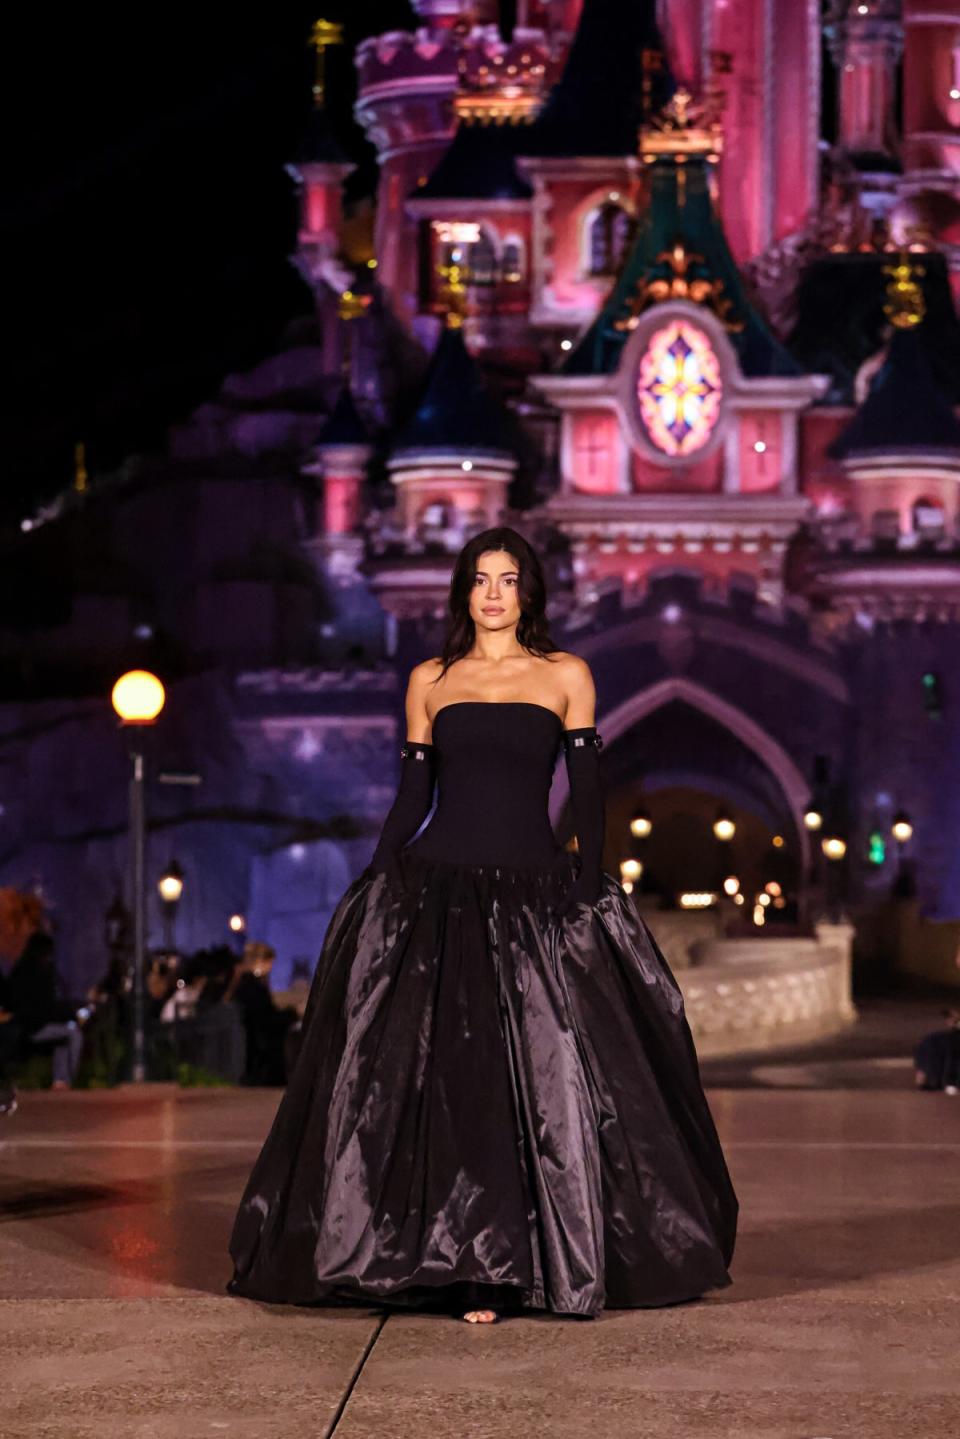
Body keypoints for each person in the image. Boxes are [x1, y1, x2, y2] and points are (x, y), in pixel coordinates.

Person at [227, 526, 739, 1323]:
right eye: (480, 578)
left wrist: (586, 876)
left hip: (534, 897)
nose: (494, 592)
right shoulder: (430, 678)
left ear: (528, 591)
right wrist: (383, 867)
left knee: (539, 1084)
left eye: (508, 578)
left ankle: (513, 1263)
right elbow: (412, 797)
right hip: (439, 893)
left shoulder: (566, 675)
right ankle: (456, 1263)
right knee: (441, 1085)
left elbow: (589, 794)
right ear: (464, 591)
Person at [7, 930, 85, 1090]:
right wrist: (72, 1015)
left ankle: (60, 1081)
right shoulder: (40, 972)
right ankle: (66, 1081)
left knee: (63, 1036)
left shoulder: (20, 968)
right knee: (74, 1033)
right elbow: (46, 1007)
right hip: (33, 1027)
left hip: (24, 1025)